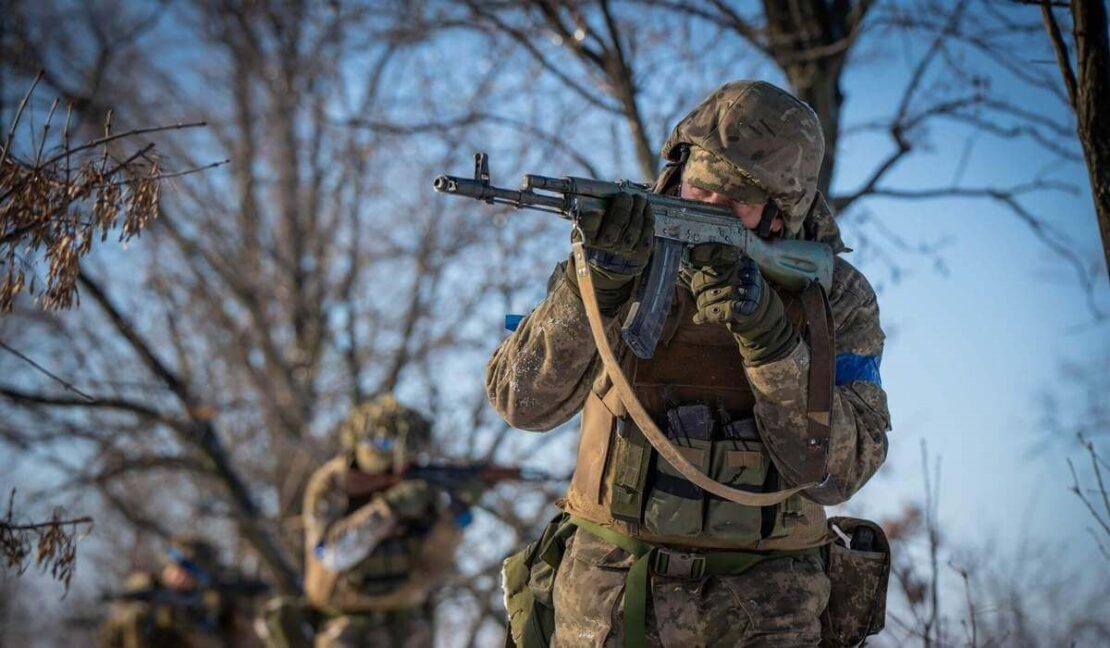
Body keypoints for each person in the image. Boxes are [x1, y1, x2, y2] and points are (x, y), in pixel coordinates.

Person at [487, 80, 891, 647]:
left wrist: (772, 344)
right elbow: (518, 400)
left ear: (783, 212)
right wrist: (595, 291)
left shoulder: (837, 299)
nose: (708, 211)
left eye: (737, 205)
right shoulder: (616, 258)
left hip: (766, 613)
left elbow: (843, 473)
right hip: (608, 601)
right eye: (700, 190)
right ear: (677, 174)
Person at [283, 394, 479, 648]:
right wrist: (388, 509)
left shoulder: (420, 485)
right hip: (344, 630)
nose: (394, 458)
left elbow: (432, 567)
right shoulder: (333, 482)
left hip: (407, 626)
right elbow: (333, 553)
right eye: (382, 444)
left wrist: (454, 518)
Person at [98, 535, 262, 648]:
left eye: (189, 573)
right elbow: (111, 638)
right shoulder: (144, 594)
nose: (179, 576)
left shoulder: (215, 605)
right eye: (175, 568)